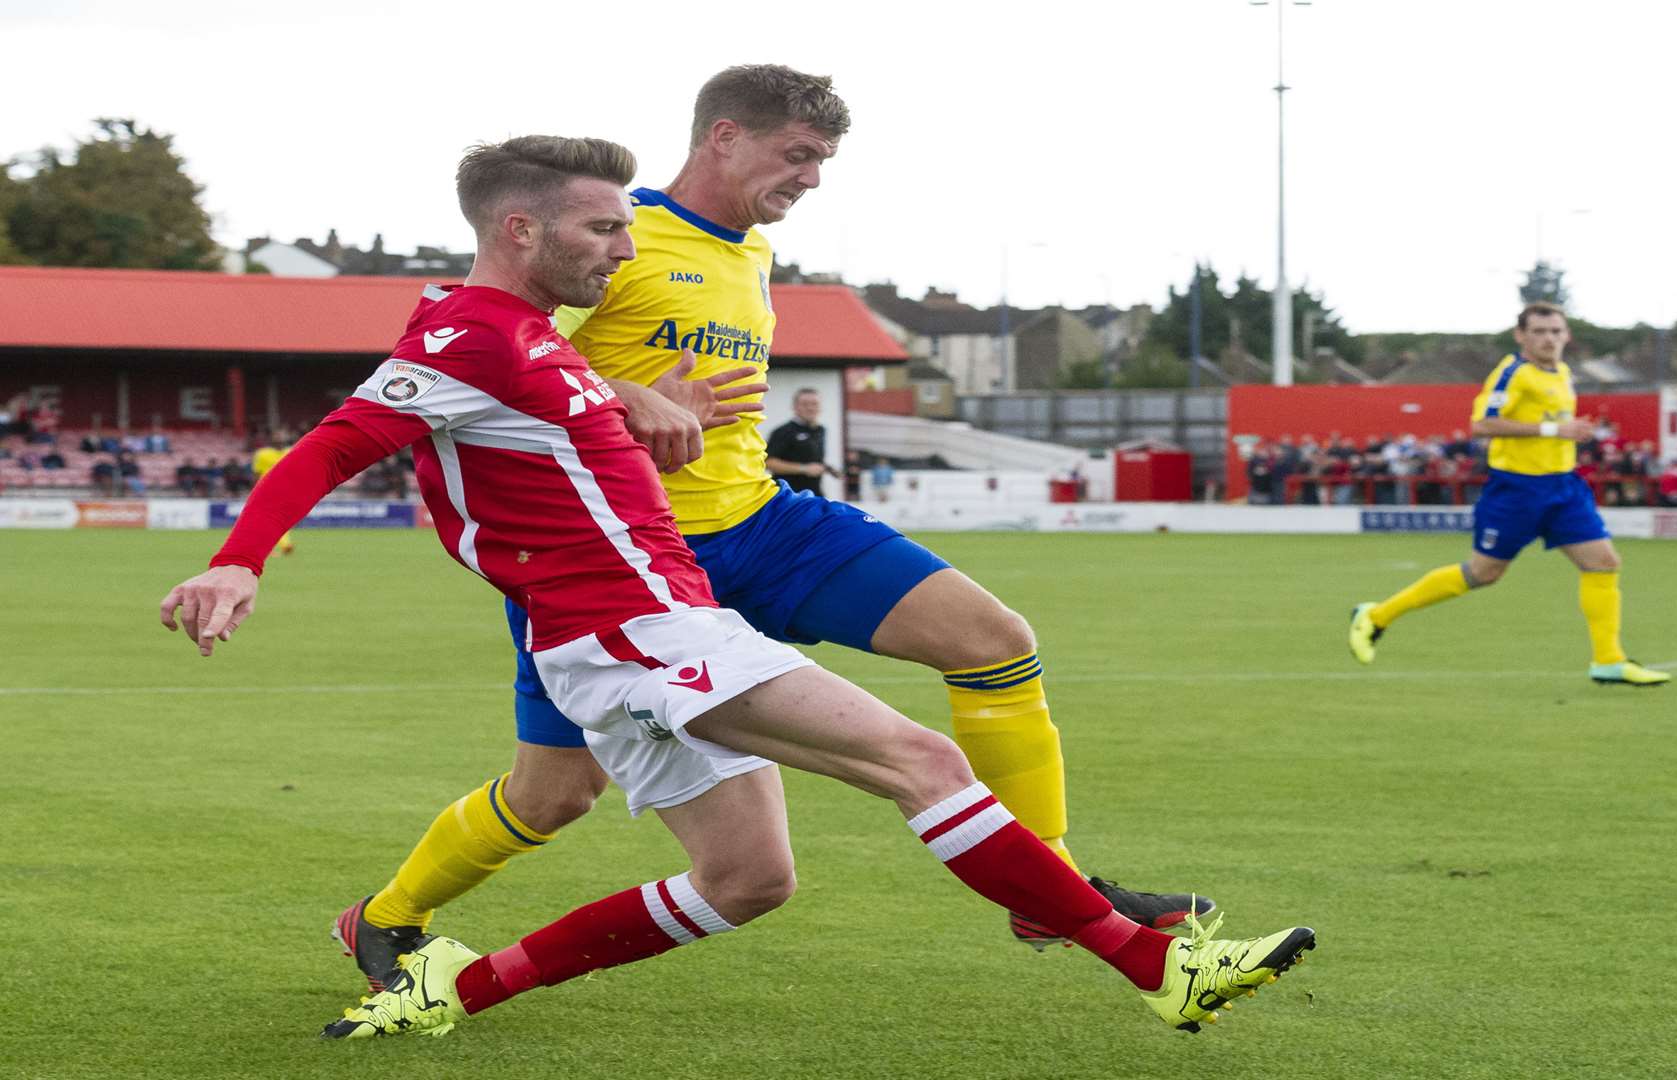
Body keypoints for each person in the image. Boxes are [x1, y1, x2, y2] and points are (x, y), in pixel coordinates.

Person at [157, 135, 1313, 1040]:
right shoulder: (465, 335)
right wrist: (236, 558)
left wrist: (634, 410)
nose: (624, 245)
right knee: (925, 762)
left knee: (747, 879)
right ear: (520, 229)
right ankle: (1156, 966)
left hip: (653, 628)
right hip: (632, 633)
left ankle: (454, 991)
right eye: (603, 227)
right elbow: (333, 445)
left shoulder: (531, 339)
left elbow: (545, 423)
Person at [333, 64, 1209, 982]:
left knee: (993, 640)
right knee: (553, 796)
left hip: (765, 524)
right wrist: (624, 394)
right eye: (797, 154)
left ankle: (1052, 894)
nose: (811, 178)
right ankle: (387, 917)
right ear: (724, 136)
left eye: (823, 159)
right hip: (623, 566)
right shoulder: (604, 231)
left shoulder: (750, 248)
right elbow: (483, 351)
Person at [1346, 302, 1670, 687]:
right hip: (1517, 490)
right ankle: (1376, 616)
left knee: (1603, 563)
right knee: (1483, 573)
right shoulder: (1513, 373)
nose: (1549, 339)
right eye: (1539, 331)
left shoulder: (1563, 373)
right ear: (1521, 336)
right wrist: (1554, 432)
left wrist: (1568, 432)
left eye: (1555, 331)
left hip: (1562, 487)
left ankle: (1608, 660)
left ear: (1566, 335)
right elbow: (1482, 424)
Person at [765, 386, 836, 495]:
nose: (810, 408)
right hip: (789, 496)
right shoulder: (783, 431)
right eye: (805, 404)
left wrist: (829, 469)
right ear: (794, 407)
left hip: (814, 494)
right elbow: (768, 462)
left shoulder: (821, 430)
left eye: (814, 404)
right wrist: (804, 469)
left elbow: (812, 459)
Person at [251, 429, 298, 556]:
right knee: (267, 520)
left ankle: (281, 545)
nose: (280, 439)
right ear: (272, 439)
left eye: (282, 436)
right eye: (277, 437)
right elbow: (256, 473)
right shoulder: (262, 454)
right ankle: (281, 545)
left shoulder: (292, 451)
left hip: (284, 490)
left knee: (278, 520)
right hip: (265, 490)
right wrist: (254, 491)